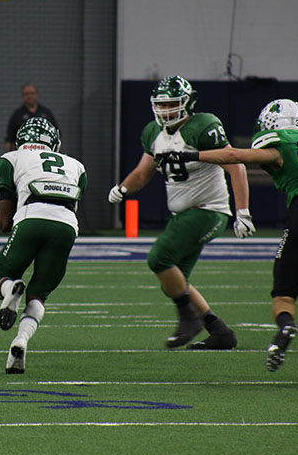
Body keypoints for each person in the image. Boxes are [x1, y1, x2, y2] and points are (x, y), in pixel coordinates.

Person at [157, 99, 298, 371]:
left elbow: (233, 157)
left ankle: (286, 326)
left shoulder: (281, 145)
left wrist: (191, 156)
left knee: (284, 293)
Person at [108, 75, 254, 350]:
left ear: (188, 103)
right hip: (183, 215)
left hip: (208, 210)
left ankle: (189, 319)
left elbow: (236, 165)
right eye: (161, 105)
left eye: (172, 104)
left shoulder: (203, 126)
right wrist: (123, 188)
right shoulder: (153, 132)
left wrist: (242, 211)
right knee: (174, 283)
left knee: (159, 257)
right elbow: (142, 173)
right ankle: (219, 331)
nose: (166, 111)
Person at [0, 117, 87, 373]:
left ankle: (11, 288)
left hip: (30, 217)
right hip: (66, 225)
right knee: (39, 295)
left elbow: (4, 221)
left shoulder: (11, 158)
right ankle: (20, 342)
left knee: (4, 276)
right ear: (54, 143)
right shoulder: (76, 165)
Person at [5, 83, 59, 152]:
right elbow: (9, 139)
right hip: (23, 154)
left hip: (45, 152)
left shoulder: (46, 113)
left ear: (37, 94)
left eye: (32, 93)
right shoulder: (17, 115)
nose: (30, 96)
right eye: (27, 94)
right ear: (22, 96)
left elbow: (57, 136)